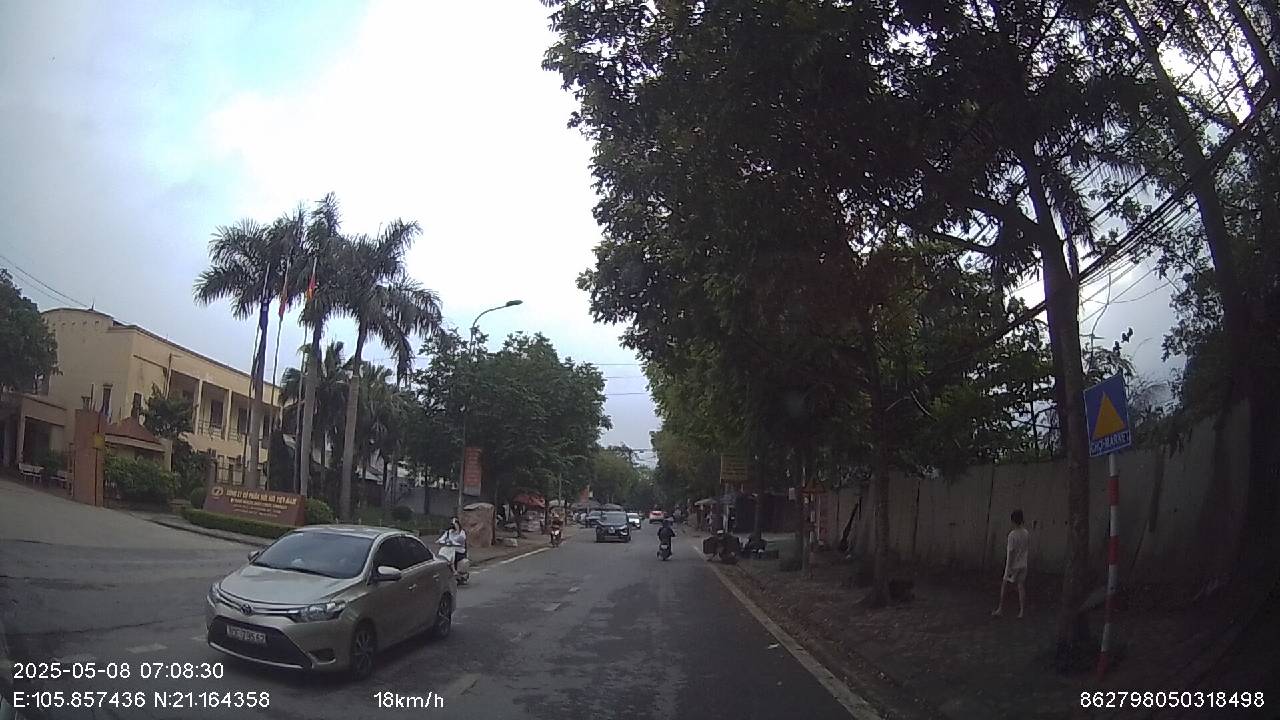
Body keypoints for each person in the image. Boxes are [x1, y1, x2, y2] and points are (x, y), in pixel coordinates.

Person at [993, 509, 1030, 618]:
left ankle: (1000, 608)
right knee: (1021, 586)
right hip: (1023, 564)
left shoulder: (1012, 535)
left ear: (1013, 520)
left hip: (1013, 565)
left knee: (1004, 585)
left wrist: (1009, 567)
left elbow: (1011, 552)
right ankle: (1022, 611)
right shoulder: (1026, 533)